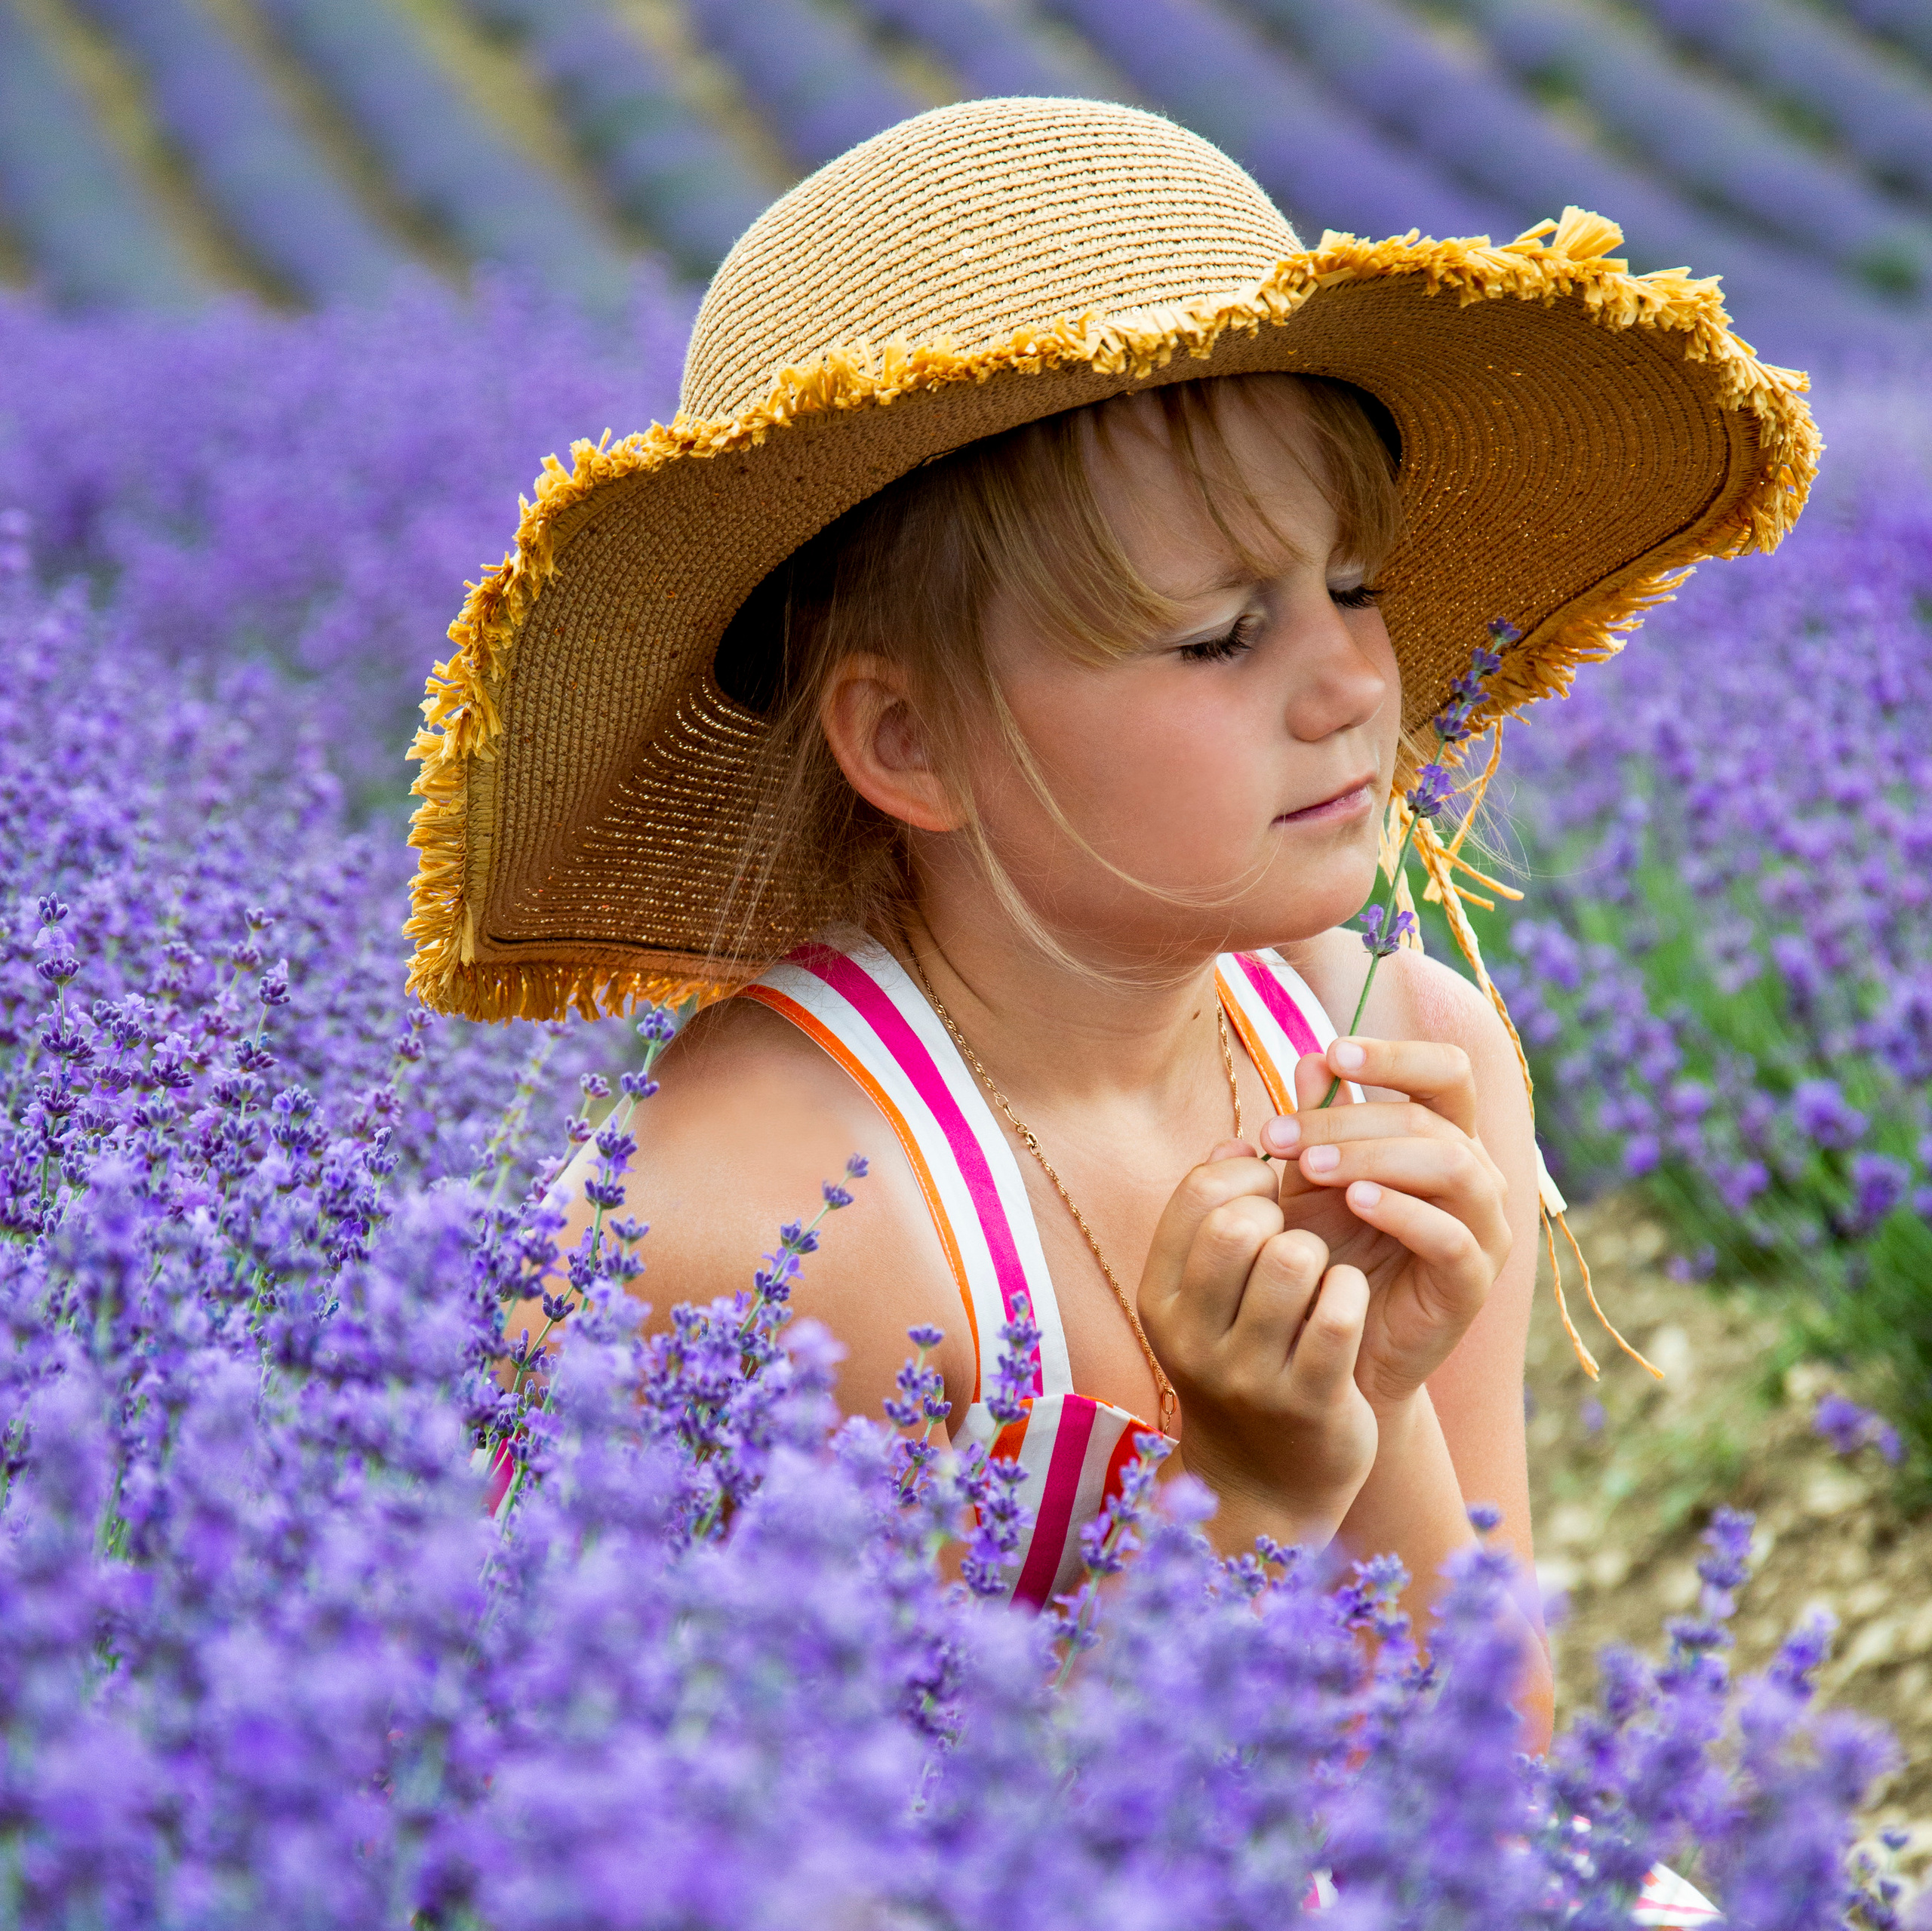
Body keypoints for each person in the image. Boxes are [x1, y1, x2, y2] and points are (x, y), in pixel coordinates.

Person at [408, 98, 1816, 1764]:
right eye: (1221, 634)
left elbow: (1488, 1773)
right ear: (908, 739)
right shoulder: (755, 1226)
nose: (1357, 681)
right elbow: (763, 1854)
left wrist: (1373, 1414)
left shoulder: (1415, 1062)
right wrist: (1243, 1490)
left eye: (1352, 586)